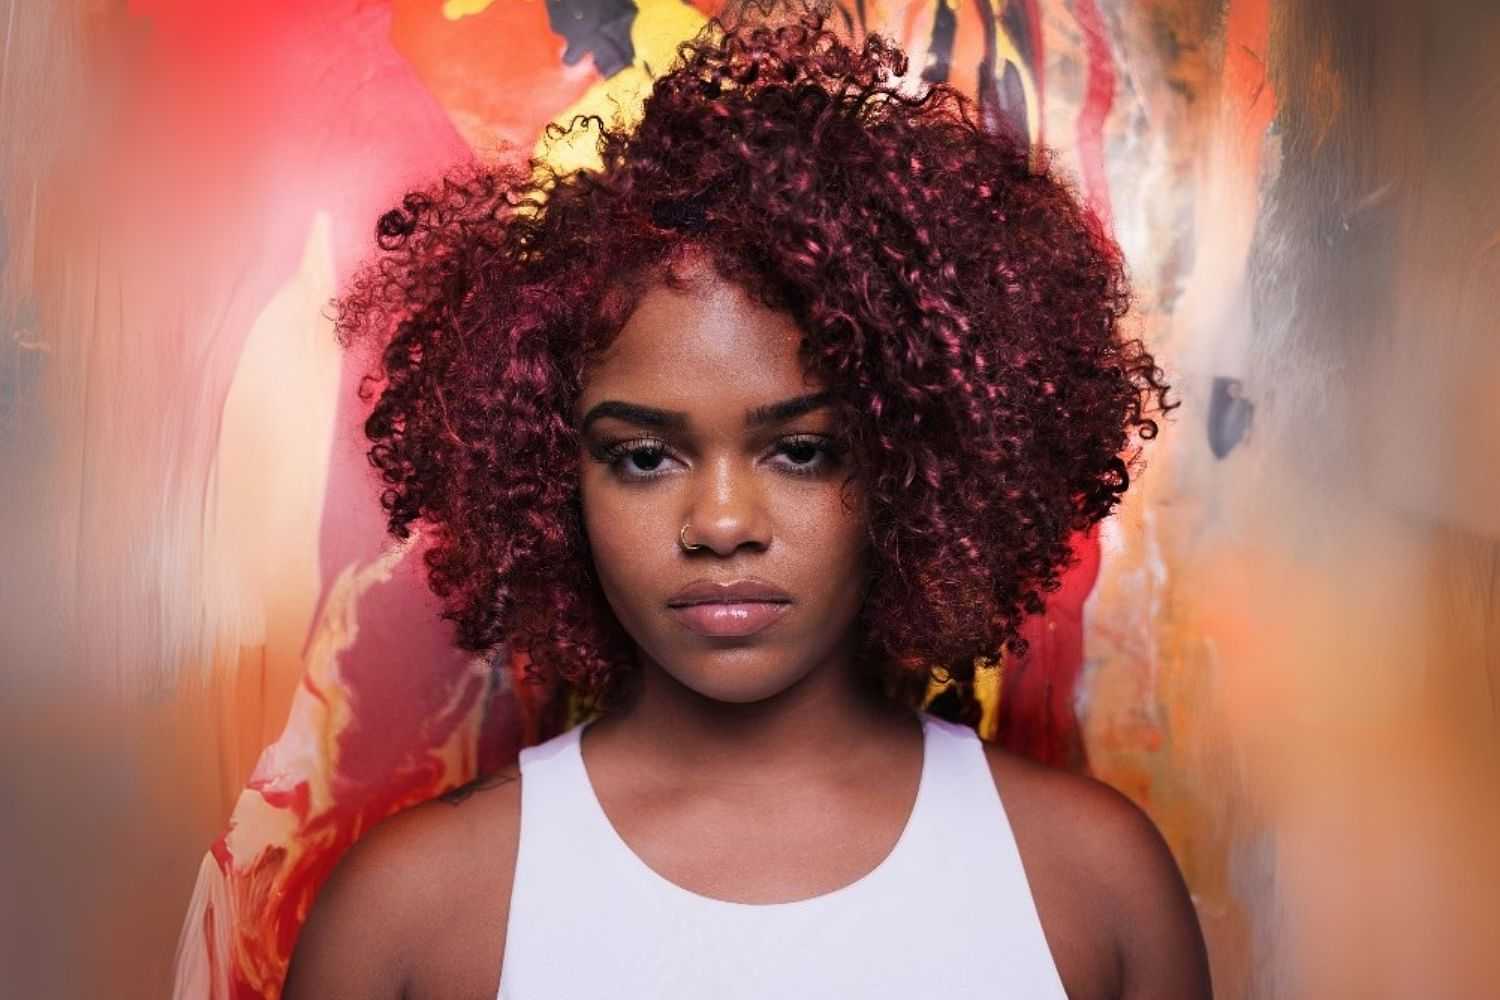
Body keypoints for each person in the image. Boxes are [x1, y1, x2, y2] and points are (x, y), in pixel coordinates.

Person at [284, 8, 1210, 999]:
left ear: (918, 461)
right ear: (551, 477)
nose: (722, 524)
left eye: (803, 450)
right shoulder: (415, 916)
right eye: (643, 457)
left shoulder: (1093, 887)